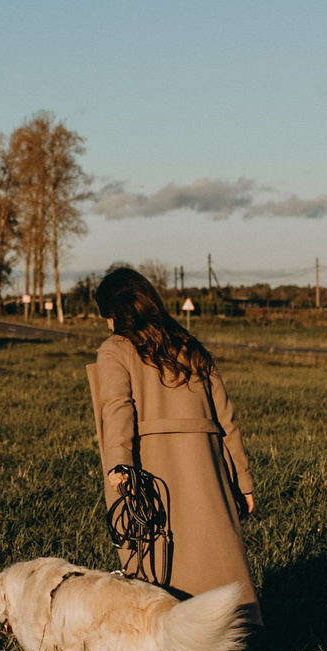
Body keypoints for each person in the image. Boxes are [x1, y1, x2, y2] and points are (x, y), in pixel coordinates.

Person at [87, 264, 260, 624]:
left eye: (105, 315)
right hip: (207, 464)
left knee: (161, 556)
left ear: (114, 313)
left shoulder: (115, 349)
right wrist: (243, 481)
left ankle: (174, 635)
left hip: (152, 465)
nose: (105, 323)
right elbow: (227, 419)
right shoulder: (190, 345)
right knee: (216, 552)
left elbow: (117, 407)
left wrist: (119, 463)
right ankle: (233, 627)